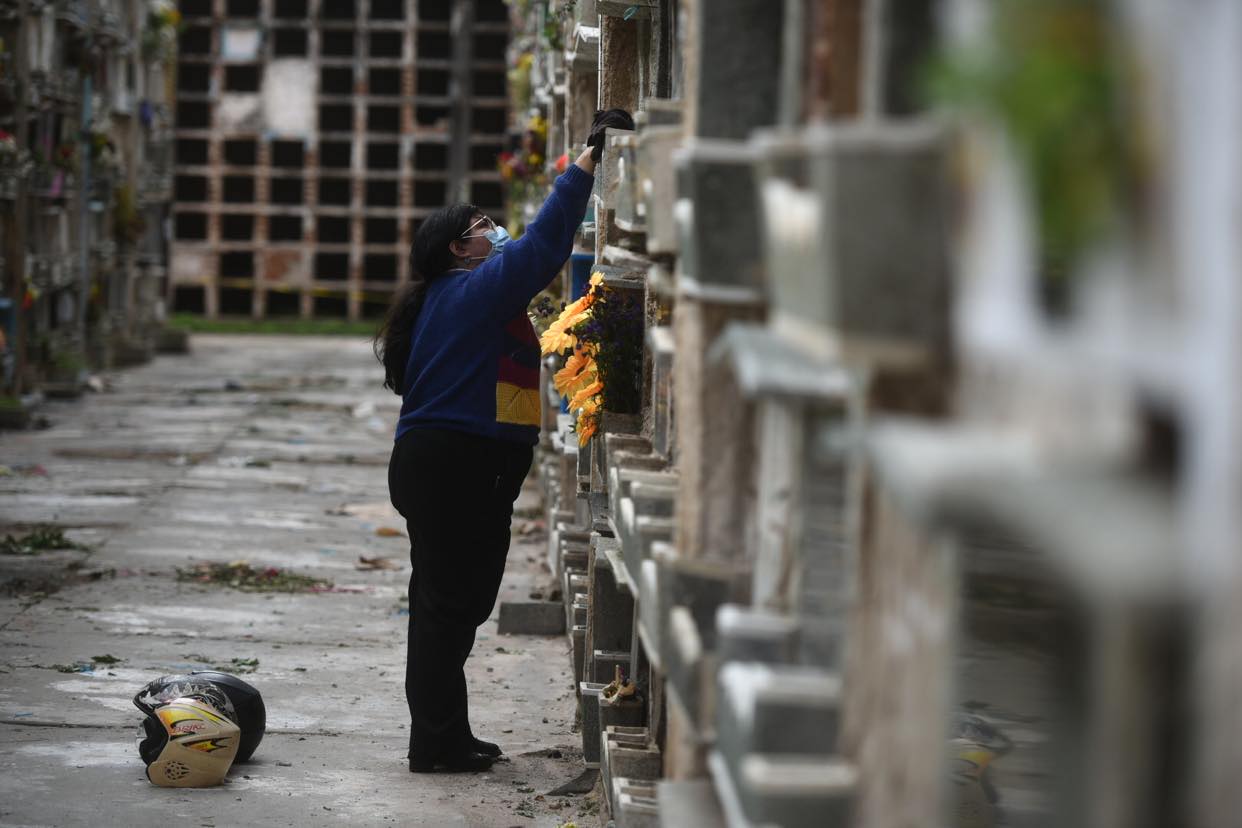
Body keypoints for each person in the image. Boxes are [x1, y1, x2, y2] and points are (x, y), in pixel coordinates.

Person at [375, 109, 632, 774]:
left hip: (448, 465)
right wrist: (586, 162)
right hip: (459, 466)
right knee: (447, 606)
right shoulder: (475, 288)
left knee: (454, 602)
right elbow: (545, 245)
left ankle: (445, 732)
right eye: (483, 226)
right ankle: (434, 741)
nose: (495, 231)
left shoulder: (448, 298)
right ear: (461, 248)